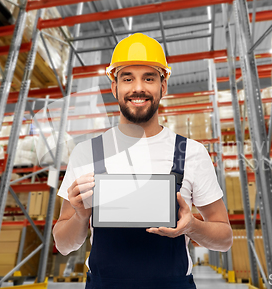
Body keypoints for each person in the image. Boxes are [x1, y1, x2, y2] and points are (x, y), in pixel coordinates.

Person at [54, 33, 232, 289]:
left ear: (163, 86)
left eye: (149, 78)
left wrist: (191, 226)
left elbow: (224, 239)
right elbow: (63, 244)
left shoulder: (191, 153)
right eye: (127, 78)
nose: (138, 88)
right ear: (114, 87)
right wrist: (81, 216)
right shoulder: (87, 154)